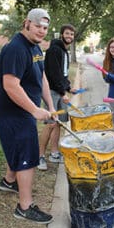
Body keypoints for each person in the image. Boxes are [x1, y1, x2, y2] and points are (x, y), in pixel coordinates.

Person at [0, 8, 55, 224]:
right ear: (26, 23)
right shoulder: (16, 48)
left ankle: (10, 181)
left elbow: (42, 77)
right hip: (12, 113)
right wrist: (35, 110)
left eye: (45, 28)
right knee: (28, 156)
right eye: (38, 26)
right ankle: (24, 207)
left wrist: (50, 105)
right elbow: (10, 85)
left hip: (23, 110)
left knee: (21, 150)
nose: (42, 31)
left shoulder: (34, 47)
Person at [38, 23, 77, 171]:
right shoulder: (54, 50)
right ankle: (40, 156)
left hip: (60, 91)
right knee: (51, 123)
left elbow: (63, 74)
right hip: (52, 93)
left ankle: (54, 153)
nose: (70, 36)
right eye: (67, 33)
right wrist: (63, 93)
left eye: (72, 34)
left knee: (59, 123)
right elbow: (53, 75)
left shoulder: (63, 51)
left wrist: (68, 87)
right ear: (62, 35)